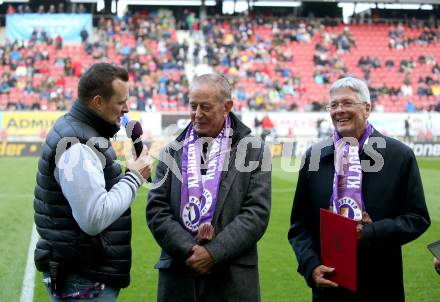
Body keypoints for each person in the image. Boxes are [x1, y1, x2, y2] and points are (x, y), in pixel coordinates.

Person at [288, 76, 430, 302]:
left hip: (381, 285)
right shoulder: (314, 157)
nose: (339, 110)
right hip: (328, 288)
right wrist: (310, 266)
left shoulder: (398, 155)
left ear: (367, 108)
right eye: (333, 105)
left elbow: (417, 218)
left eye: (346, 103)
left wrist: (370, 233)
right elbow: (299, 226)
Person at [146, 73, 271, 302]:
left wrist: (213, 253)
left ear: (227, 107)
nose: (197, 114)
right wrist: (189, 250)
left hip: (232, 279)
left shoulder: (254, 151)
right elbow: (156, 210)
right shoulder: (171, 151)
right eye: (193, 106)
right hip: (180, 276)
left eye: (206, 107)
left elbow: (256, 214)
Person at [34, 63, 152, 301]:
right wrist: (135, 177)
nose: (126, 109)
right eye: (120, 103)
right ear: (98, 102)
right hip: (83, 275)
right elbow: (93, 218)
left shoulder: (80, 130)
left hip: (82, 269)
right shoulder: (76, 143)